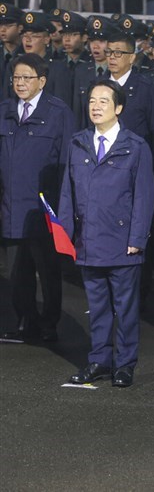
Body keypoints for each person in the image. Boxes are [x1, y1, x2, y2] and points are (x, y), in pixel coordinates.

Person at [60, 80, 154, 387]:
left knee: (124, 308)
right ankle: (99, 360)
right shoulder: (78, 142)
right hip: (88, 239)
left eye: (103, 101)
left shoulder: (136, 146)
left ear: (119, 108)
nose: (96, 106)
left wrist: (137, 240)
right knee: (97, 306)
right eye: (91, 101)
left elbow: (143, 197)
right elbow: (67, 192)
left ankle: (124, 364)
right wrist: (65, 233)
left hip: (122, 242)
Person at [0, 53, 76, 342]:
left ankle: (49, 324)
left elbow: (68, 163)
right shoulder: (5, 110)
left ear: (41, 81)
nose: (20, 83)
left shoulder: (58, 113)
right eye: (16, 78)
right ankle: (25, 321)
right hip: (11, 207)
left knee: (47, 270)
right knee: (17, 272)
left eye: (26, 78)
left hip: (44, 208)